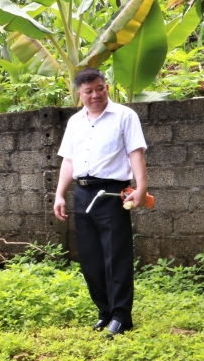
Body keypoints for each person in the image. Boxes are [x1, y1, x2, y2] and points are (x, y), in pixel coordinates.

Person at [53, 68, 149, 336]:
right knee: (90, 258)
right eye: (88, 91)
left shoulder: (124, 116)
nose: (95, 95)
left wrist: (141, 188)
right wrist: (60, 194)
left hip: (112, 192)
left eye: (100, 88)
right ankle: (104, 312)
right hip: (83, 193)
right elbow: (68, 160)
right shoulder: (75, 122)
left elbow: (135, 153)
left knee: (115, 256)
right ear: (79, 94)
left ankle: (121, 316)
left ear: (106, 87)